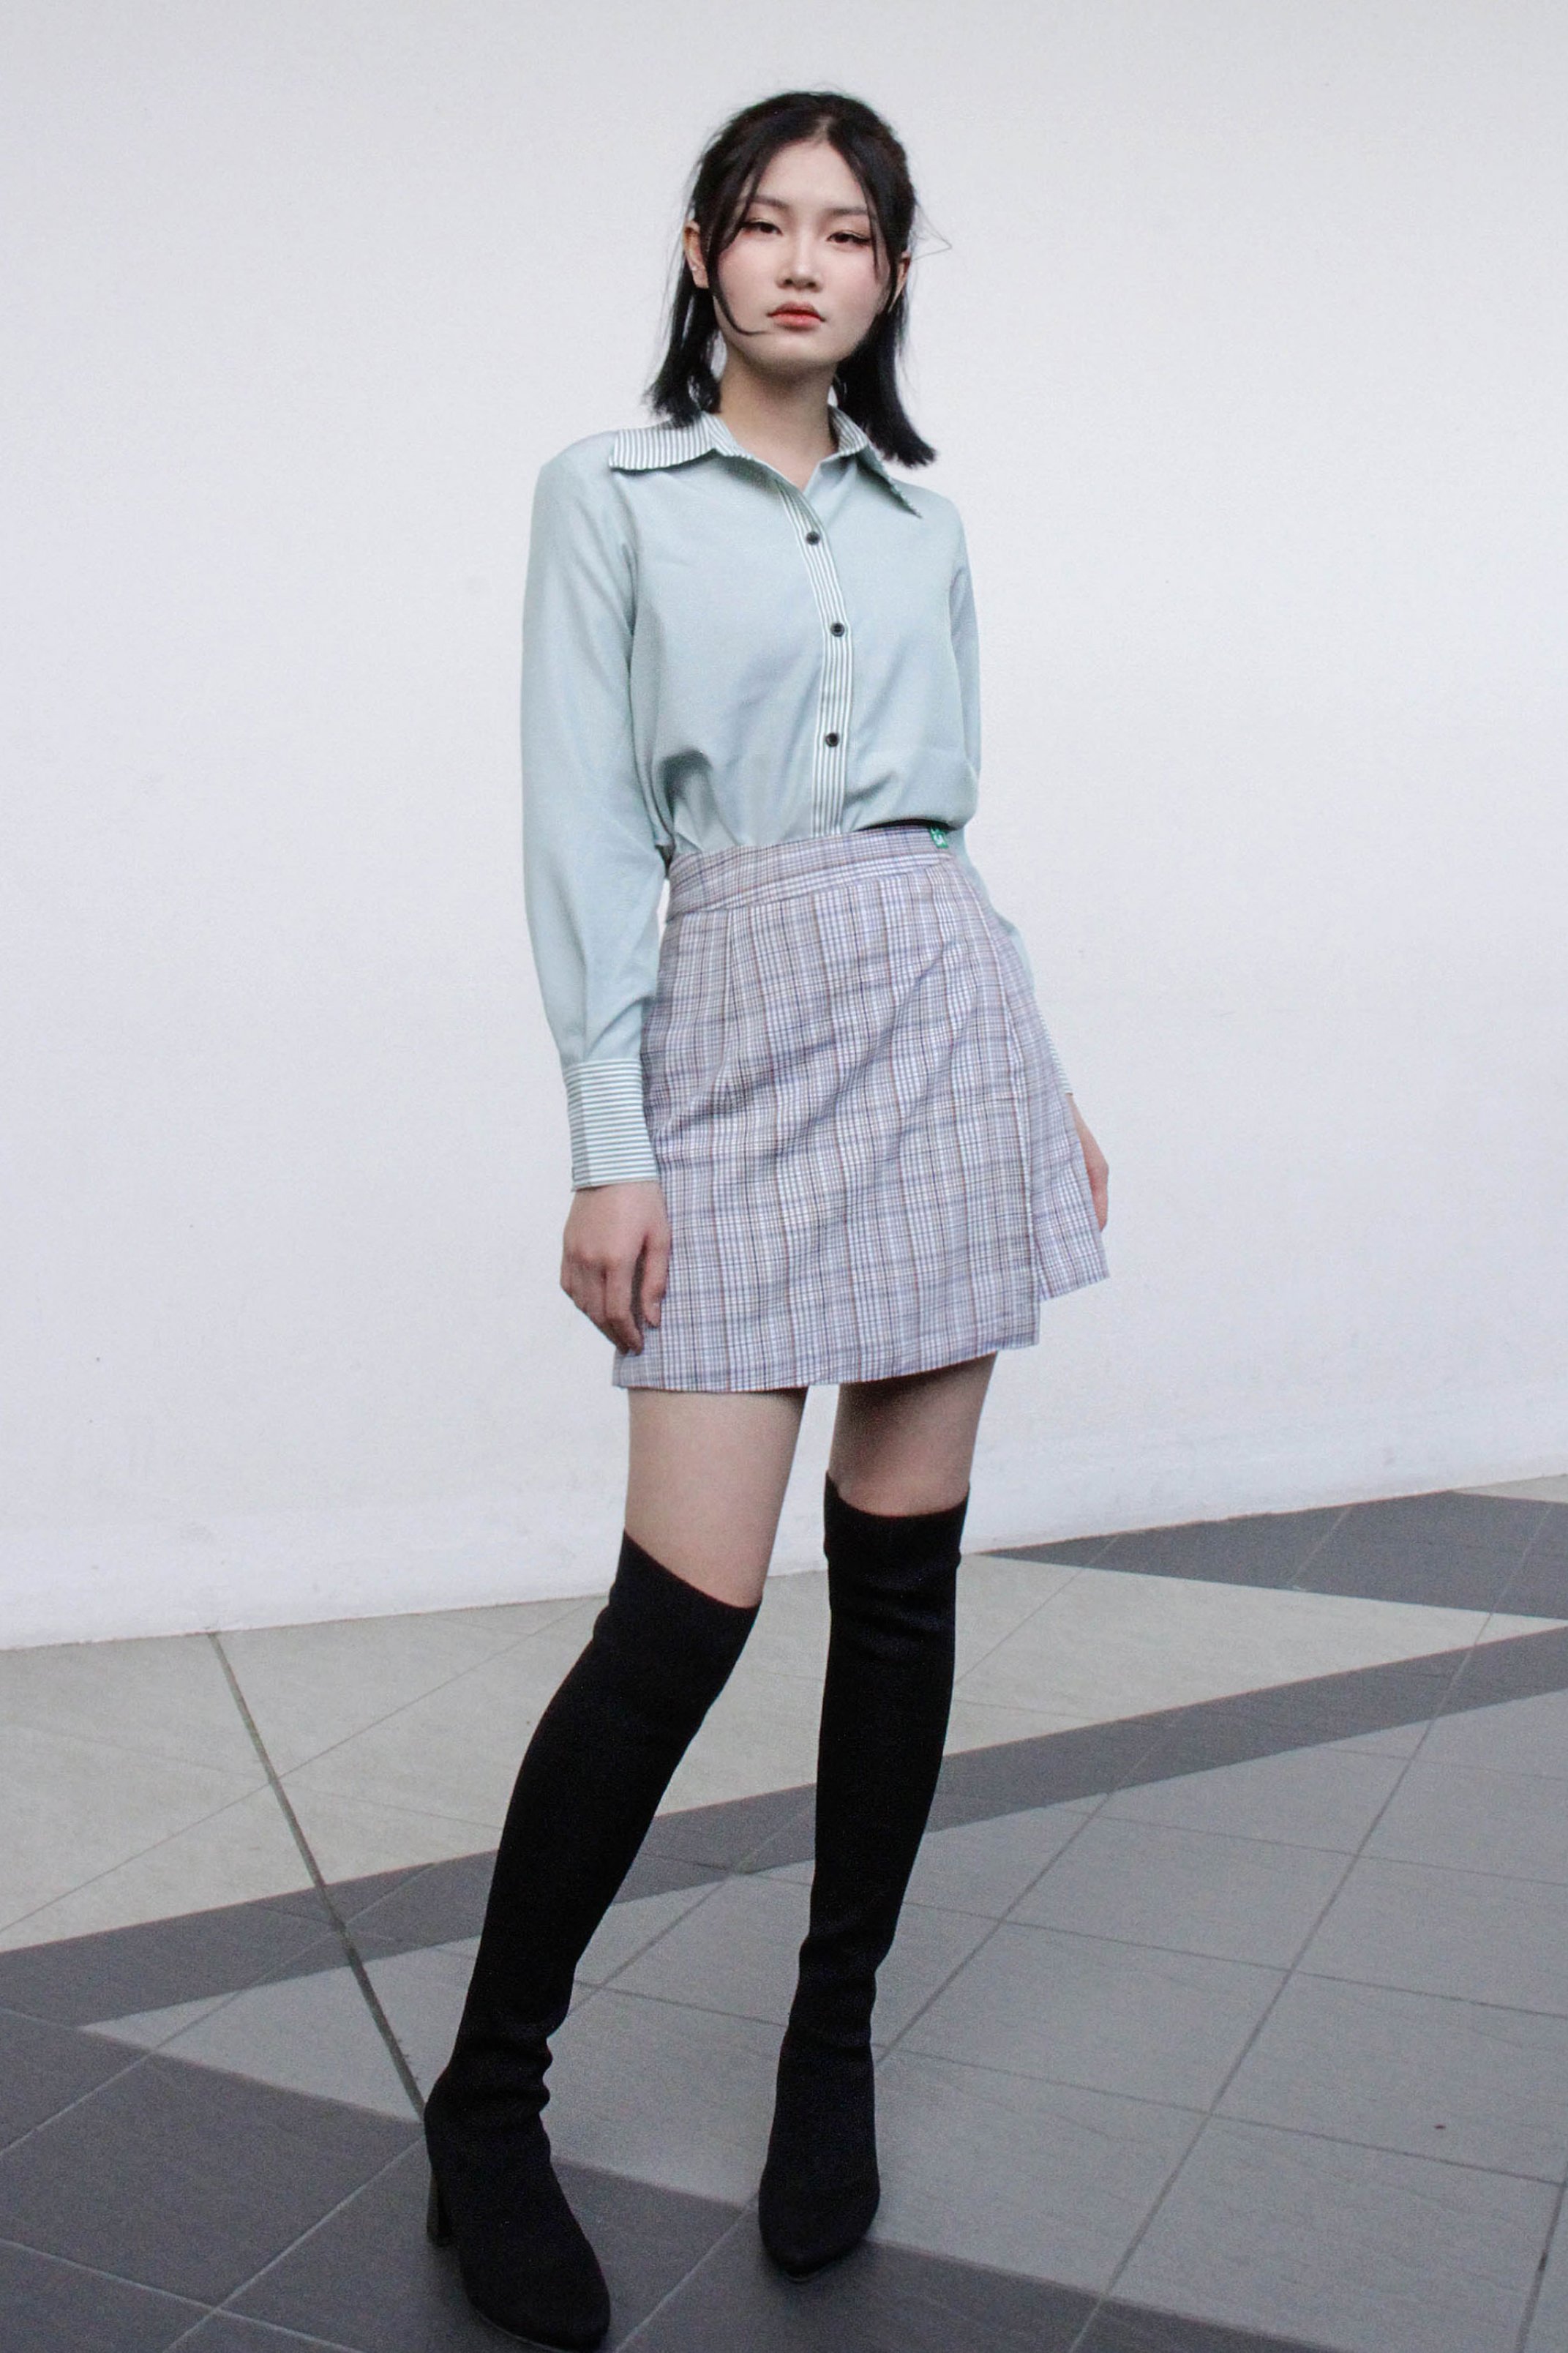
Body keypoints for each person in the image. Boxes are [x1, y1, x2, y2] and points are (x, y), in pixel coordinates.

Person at [423, 87, 1110, 2351]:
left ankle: (832, 2048)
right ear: (705, 254)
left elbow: (946, 832)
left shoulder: (925, 526)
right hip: (724, 1034)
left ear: (891, 276)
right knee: (681, 1619)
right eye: (767, 222)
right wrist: (606, 1140)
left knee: (897, 1590)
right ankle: (487, 2106)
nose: (806, 262)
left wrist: (1046, 1085)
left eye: (850, 232)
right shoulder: (606, 498)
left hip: (942, 1026)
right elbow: (582, 825)